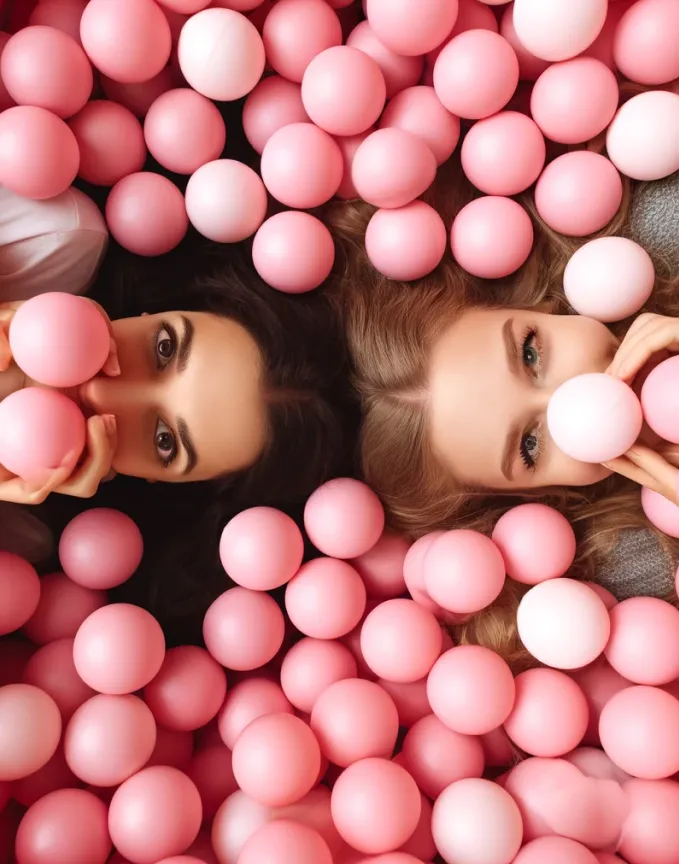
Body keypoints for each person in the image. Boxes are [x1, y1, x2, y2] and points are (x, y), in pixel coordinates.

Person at [328, 147, 679, 668]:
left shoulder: (656, 224)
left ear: (528, 300)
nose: (582, 394)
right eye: (530, 445)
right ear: (530, 500)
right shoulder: (635, 569)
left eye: (531, 352)